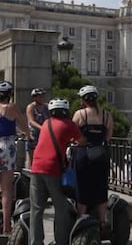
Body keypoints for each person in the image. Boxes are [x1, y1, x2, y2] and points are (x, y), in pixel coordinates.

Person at [30, 98, 85, 245]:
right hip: (53, 169)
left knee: (36, 208)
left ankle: (35, 241)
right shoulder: (69, 124)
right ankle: (61, 241)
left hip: (35, 167)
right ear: (66, 111)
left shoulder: (46, 123)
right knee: (60, 208)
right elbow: (82, 142)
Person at [0, 81, 32, 235]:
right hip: (6, 145)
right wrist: (29, 135)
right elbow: (23, 124)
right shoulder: (11, 107)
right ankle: (6, 226)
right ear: (9, 94)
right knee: (6, 188)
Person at [72, 85, 114, 229]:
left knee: (82, 187)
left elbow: (73, 134)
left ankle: (81, 219)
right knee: (101, 187)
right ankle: (102, 221)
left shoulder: (80, 114)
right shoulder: (106, 115)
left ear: (83, 100)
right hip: (101, 155)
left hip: (83, 154)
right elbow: (108, 137)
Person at [26, 88, 49, 165]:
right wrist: (41, 128)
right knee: (33, 156)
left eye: (42, 96)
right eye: (39, 96)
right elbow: (31, 121)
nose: (41, 98)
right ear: (34, 97)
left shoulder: (47, 107)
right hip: (34, 134)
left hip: (45, 134)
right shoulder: (31, 107)